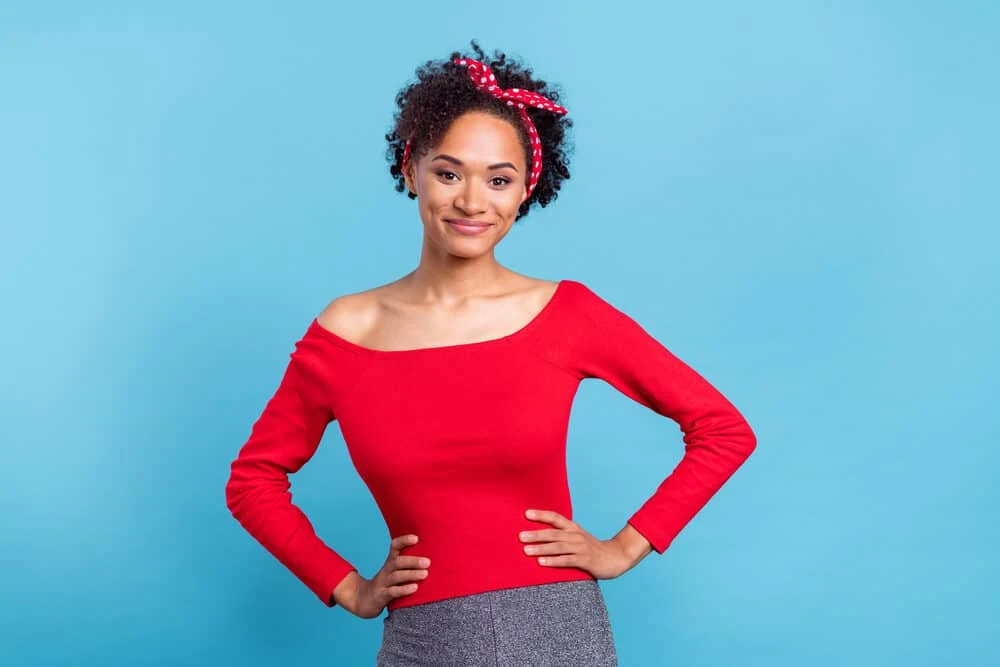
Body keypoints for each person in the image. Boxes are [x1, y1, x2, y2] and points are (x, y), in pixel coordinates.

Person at [225, 40, 757, 666]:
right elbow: (253, 480)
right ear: (409, 169)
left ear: (525, 191)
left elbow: (723, 430)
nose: (472, 202)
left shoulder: (568, 314)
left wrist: (625, 547)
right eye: (449, 173)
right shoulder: (348, 330)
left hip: (556, 634)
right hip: (420, 641)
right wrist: (346, 586)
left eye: (498, 180)